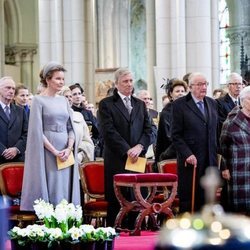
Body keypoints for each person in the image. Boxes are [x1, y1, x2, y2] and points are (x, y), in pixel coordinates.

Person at [21, 62, 80, 211]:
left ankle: (66, 220)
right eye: (58, 79)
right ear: (48, 80)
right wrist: (54, 151)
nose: (61, 82)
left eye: (62, 79)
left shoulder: (64, 100)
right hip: (48, 152)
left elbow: (70, 127)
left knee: (65, 187)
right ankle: (51, 223)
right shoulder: (38, 100)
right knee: (53, 185)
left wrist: (69, 148)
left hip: (66, 152)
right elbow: (36, 131)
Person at [98, 67, 152, 226]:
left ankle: (137, 228)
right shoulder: (106, 104)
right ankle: (116, 230)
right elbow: (108, 131)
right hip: (117, 158)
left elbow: (149, 130)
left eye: (131, 81)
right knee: (118, 198)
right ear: (116, 84)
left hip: (137, 158)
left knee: (136, 196)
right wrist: (127, 149)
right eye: (125, 81)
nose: (129, 84)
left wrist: (140, 146)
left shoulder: (140, 104)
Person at [172, 72, 218, 213]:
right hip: (191, 161)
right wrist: (187, 154)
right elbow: (175, 135)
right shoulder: (180, 105)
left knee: (207, 198)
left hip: (209, 159)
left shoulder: (212, 103)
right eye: (199, 84)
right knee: (190, 199)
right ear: (190, 87)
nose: (203, 87)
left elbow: (216, 132)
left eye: (205, 84)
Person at [220, 86, 250, 214]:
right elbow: (222, 146)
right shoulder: (232, 121)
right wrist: (224, 167)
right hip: (240, 169)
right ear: (243, 101)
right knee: (241, 209)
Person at [58, 86, 94, 164]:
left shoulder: (79, 116)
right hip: (59, 157)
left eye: (70, 96)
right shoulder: (54, 117)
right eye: (66, 96)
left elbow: (87, 141)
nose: (69, 98)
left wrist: (80, 155)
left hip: (77, 159)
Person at [156, 79, 187, 162]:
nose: (180, 93)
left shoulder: (189, 110)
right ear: (171, 94)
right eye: (177, 91)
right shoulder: (166, 113)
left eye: (183, 91)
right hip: (170, 155)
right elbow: (168, 136)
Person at [0, 76, 28, 164]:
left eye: (13, 88)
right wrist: (3, 150)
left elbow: (27, 133)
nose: (11, 91)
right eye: (8, 88)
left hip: (17, 159)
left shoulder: (21, 111)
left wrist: (16, 149)